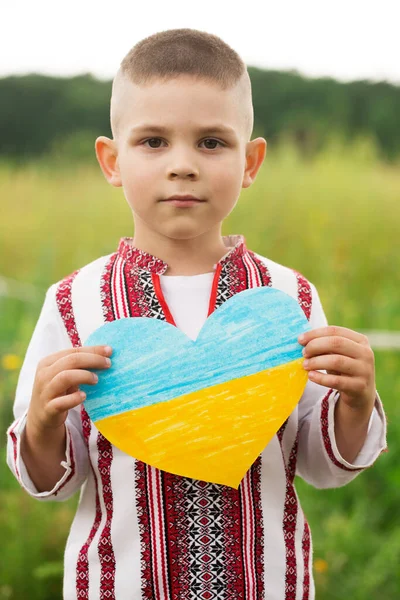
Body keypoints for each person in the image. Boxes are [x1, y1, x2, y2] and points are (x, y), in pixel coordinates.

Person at [6, 28, 387, 600]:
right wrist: (40, 423)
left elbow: (322, 463)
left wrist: (354, 402)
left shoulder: (287, 299)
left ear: (251, 160)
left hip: (268, 585)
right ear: (111, 160)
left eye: (211, 142)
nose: (182, 165)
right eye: (153, 142)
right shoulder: (74, 302)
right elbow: (52, 482)